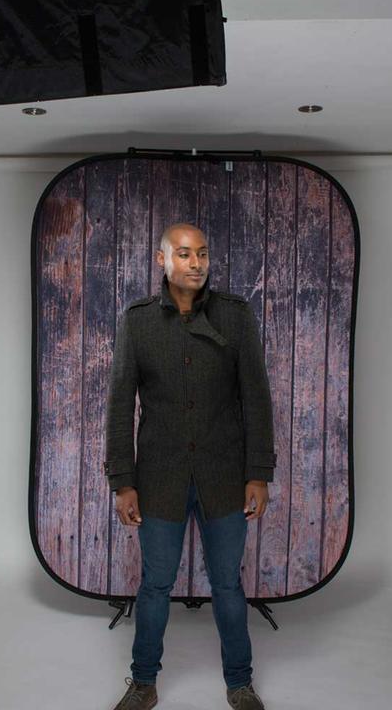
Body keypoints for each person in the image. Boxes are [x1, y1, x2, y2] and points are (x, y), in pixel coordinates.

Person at [103, 222, 277, 710]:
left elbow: (256, 398)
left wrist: (258, 473)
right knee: (155, 583)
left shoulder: (235, 317)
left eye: (202, 253)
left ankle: (240, 683)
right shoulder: (137, 321)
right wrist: (123, 482)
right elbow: (120, 406)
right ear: (162, 260)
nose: (196, 263)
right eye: (184, 254)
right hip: (159, 477)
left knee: (227, 583)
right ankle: (143, 682)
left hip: (225, 475)